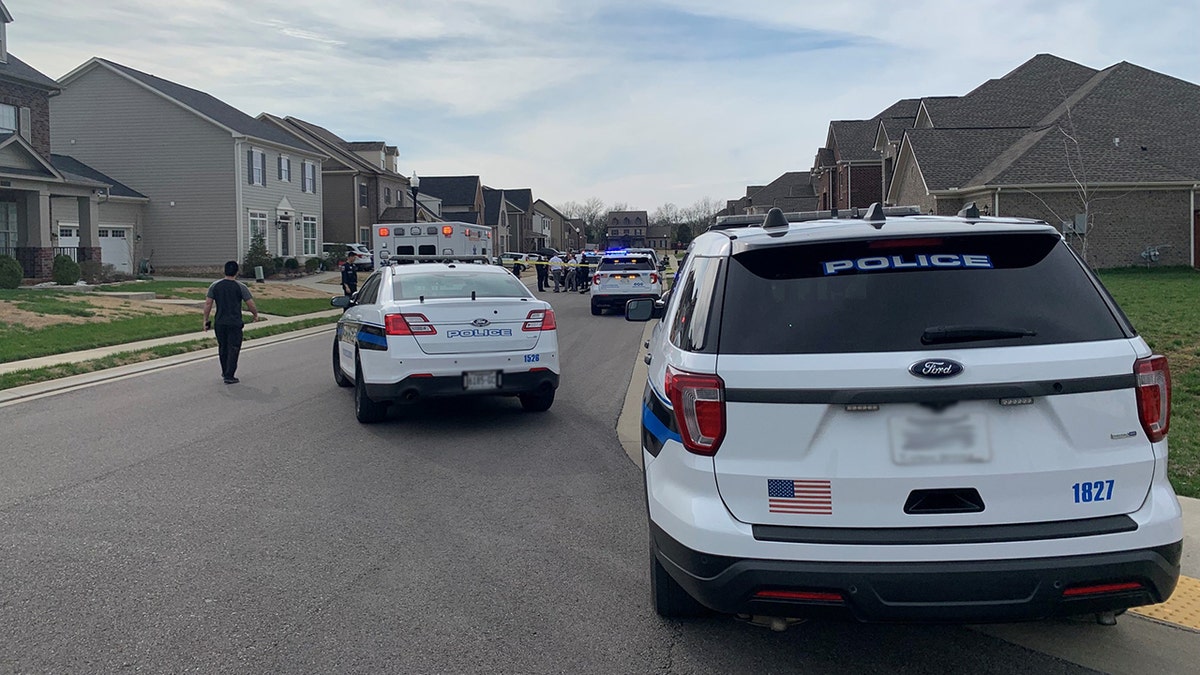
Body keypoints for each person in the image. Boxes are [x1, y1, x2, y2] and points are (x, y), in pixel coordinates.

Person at [203, 260, 259, 384]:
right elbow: (250, 303)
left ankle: (225, 371)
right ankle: (229, 375)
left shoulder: (215, 286)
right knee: (233, 348)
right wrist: (255, 314)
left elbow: (208, 303)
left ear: (224, 271)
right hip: (234, 322)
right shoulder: (241, 287)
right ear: (237, 272)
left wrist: (206, 320)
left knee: (223, 347)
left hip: (220, 322)